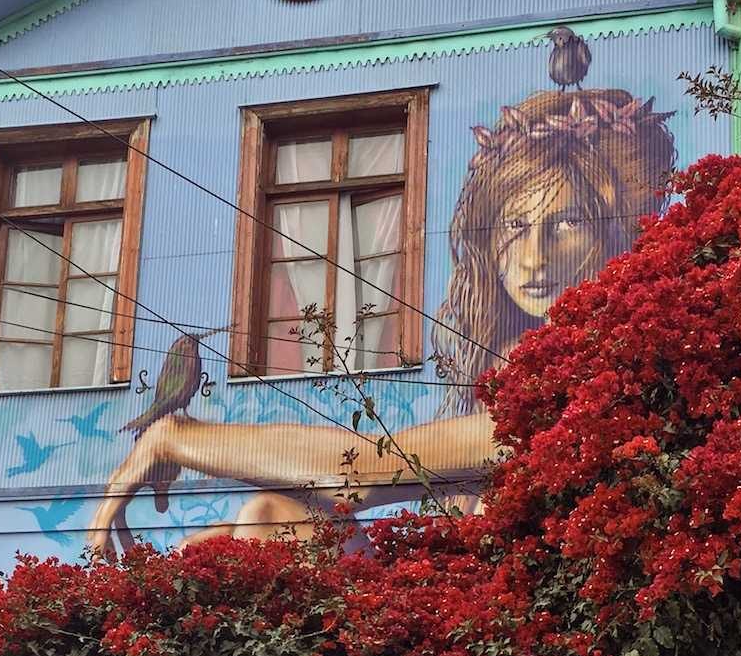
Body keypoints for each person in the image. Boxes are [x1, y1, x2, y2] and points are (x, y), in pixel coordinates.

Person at [87, 86, 676, 556]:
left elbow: (364, 467)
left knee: (272, 522)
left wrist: (180, 437)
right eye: (514, 226)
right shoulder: (507, 371)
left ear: (613, 235)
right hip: (473, 628)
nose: (533, 256)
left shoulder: (585, 391)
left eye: (567, 222)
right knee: (270, 518)